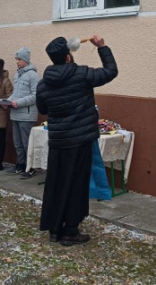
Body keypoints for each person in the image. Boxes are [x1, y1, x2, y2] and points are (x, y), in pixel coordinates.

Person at [37, 35, 117, 246]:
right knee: (76, 186)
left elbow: (43, 109)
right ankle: (70, 231)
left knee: (56, 184)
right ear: (68, 57)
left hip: (58, 141)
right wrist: (102, 47)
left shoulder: (43, 84)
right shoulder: (81, 74)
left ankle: (55, 229)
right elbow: (111, 71)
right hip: (80, 141)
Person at [7, 48, 40, 177]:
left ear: (26, 60)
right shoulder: (17, 75)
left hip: (26, 115)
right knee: (18, 143)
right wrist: (7, 101)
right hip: (15, 114)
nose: (17, 61)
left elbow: (35, 95)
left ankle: (29, 167)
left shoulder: (33, 75)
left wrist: (18, 103)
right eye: (16, 59)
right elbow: (15, 94)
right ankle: (20, 164)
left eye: (19, 59)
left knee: (27, 143)